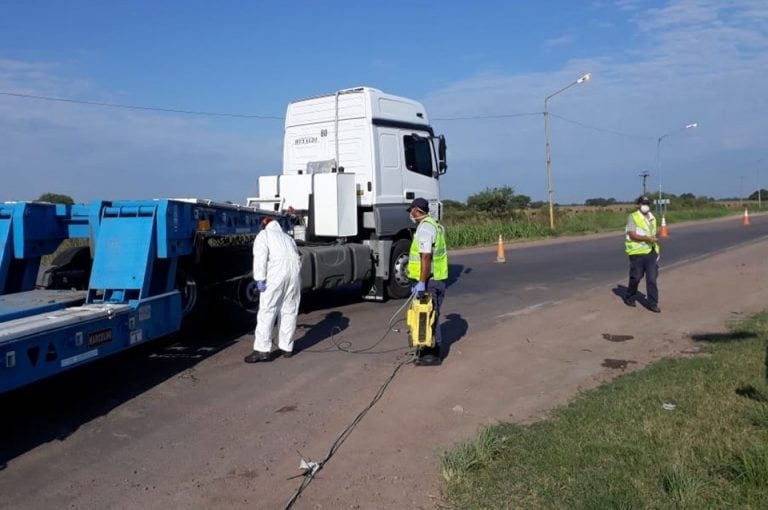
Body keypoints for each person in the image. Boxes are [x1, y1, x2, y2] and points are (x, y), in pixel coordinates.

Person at [244, 217, 302, 363]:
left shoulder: (264, 235)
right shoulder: (288, 238)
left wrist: (260, 279)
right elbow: (297, 257)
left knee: (268, 310)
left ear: (264, 225)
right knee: (289, 309)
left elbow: (260, 258)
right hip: (294, 275)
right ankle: (287, 347)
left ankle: (262, 350)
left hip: (276, 274)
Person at [407, 197, 449, 366]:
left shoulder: (425, 228)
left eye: (412, 211)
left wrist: (422, 283)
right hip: (437, 278)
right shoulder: (436, 226)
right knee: (432, 314)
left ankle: (431, 354)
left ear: (418, 210)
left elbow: (425, 256)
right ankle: (428, 350)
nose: (411, 214)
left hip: (429, 280)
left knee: (429, 315)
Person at [624, 196, 661, 312]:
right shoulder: (632, 217)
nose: (645, 205)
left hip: (651, 252)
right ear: (638, 205)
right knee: (636, 277)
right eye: (643, 203)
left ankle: (653, 303)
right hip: (637, 253)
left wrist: (653, 239)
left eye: (647, 203)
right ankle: (630, 296)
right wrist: (647, 238)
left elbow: (652, 232)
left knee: (652, 279)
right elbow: (632, 234)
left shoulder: (652, 217)